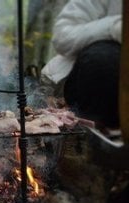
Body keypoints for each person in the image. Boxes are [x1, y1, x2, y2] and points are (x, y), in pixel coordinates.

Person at [41, 0, 122, 129]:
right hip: (87, 83)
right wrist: (115, 26)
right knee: (104, 57)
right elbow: (63, 36)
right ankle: (92, 137)